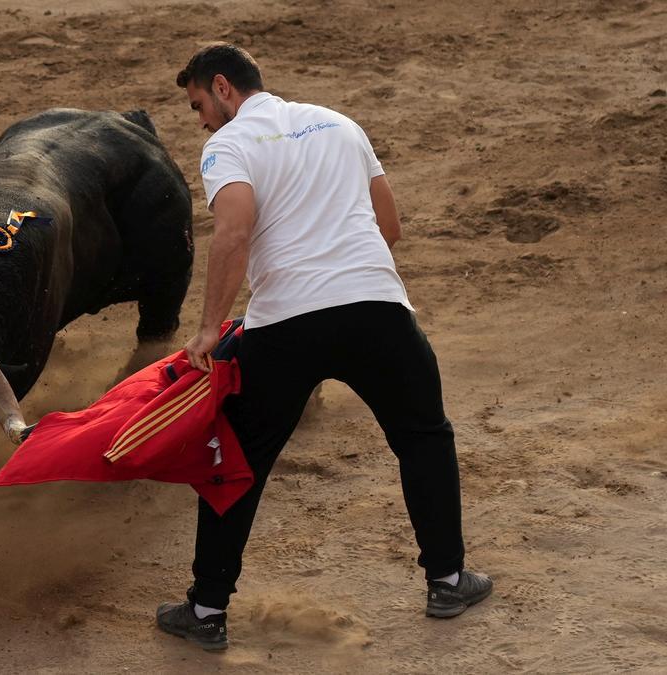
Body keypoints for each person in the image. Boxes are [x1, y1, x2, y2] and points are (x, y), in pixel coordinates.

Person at [155, 43, 492, 652]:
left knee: (240, 464)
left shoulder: (228, 147)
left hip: (284, 324)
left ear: (224, 88)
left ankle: (206, 612)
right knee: (423, 438)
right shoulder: (341, 123)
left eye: (199, 104)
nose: (201, 119)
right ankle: (447, 581)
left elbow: (233, 233)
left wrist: (209, 329)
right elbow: (389, 228)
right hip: (377, 310)